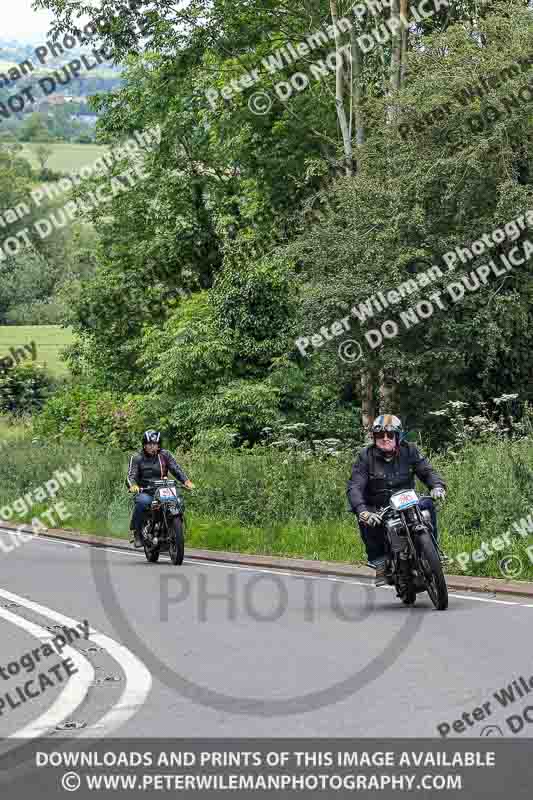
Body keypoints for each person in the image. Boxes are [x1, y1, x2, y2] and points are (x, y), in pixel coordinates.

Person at [347, 414, 446, 572]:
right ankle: (378, 559)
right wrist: (362, 510)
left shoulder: (410, 450)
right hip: (380, 505)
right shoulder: (366, 456)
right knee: (367, 518)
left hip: (407, 501)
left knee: (427, 504)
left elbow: (426, 471)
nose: (385, 438)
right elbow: (355, 486)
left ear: (398, 436)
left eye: (390, 434)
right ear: (374, 437)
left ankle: (433, 551)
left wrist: (437, 486)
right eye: (379, 435)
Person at [127, 430, 194, 548]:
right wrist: (133, 486)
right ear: (144, 444)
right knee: (142, 502)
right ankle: (137, 532)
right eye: (149, 444)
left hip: (164, 489)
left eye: (155, 444)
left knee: (177, 501)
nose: (152, 446)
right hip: (146, 491)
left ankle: (173, 530)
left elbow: (175, 468)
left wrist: (186, 481)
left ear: (159, 444)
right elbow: (130, 476)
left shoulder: (165, 455)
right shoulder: (137, 457)